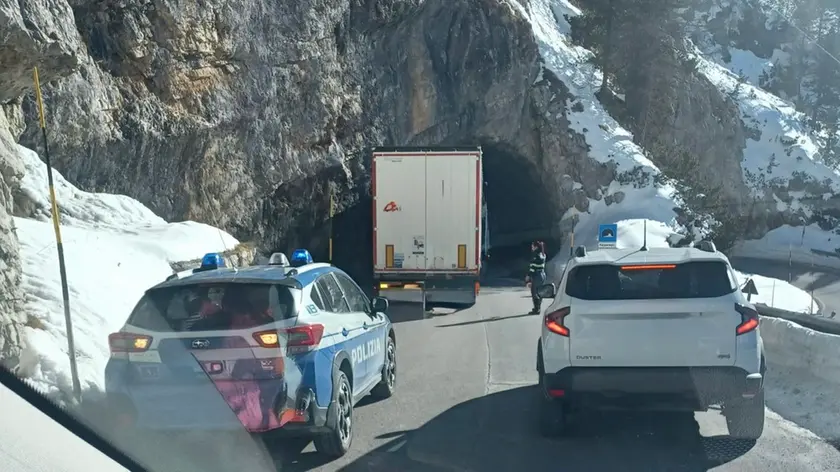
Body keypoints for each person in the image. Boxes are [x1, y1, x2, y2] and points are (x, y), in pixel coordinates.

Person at [526, 241, 547, 314]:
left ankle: (536, 309)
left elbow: (532, 268)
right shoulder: (543, 255)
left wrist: (528, 277)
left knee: (534, 292)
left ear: (536, 247)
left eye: (532, 246)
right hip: (542, 274)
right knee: (540, 292)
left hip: (536, 275)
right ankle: (538, 308)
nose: (531, 248)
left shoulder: (535, 256)